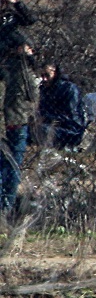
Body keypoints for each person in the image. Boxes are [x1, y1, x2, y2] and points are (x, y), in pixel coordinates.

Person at [0, 33, 37, 213]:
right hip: (17, 121)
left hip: (9, 120)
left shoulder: (4, 66)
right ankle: (6, 205)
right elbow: (32, 95)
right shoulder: (21, 68)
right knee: (13, 164)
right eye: (29, 49)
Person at [37, 64, 86, 150]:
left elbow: (72, 118)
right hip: (49, 125)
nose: (44, 79)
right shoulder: (44, 89)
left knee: (41, 129)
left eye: (47, 75)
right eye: (42, 75)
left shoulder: (69, 89)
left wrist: (47, 118)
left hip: (70, 130)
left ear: (55, 74)